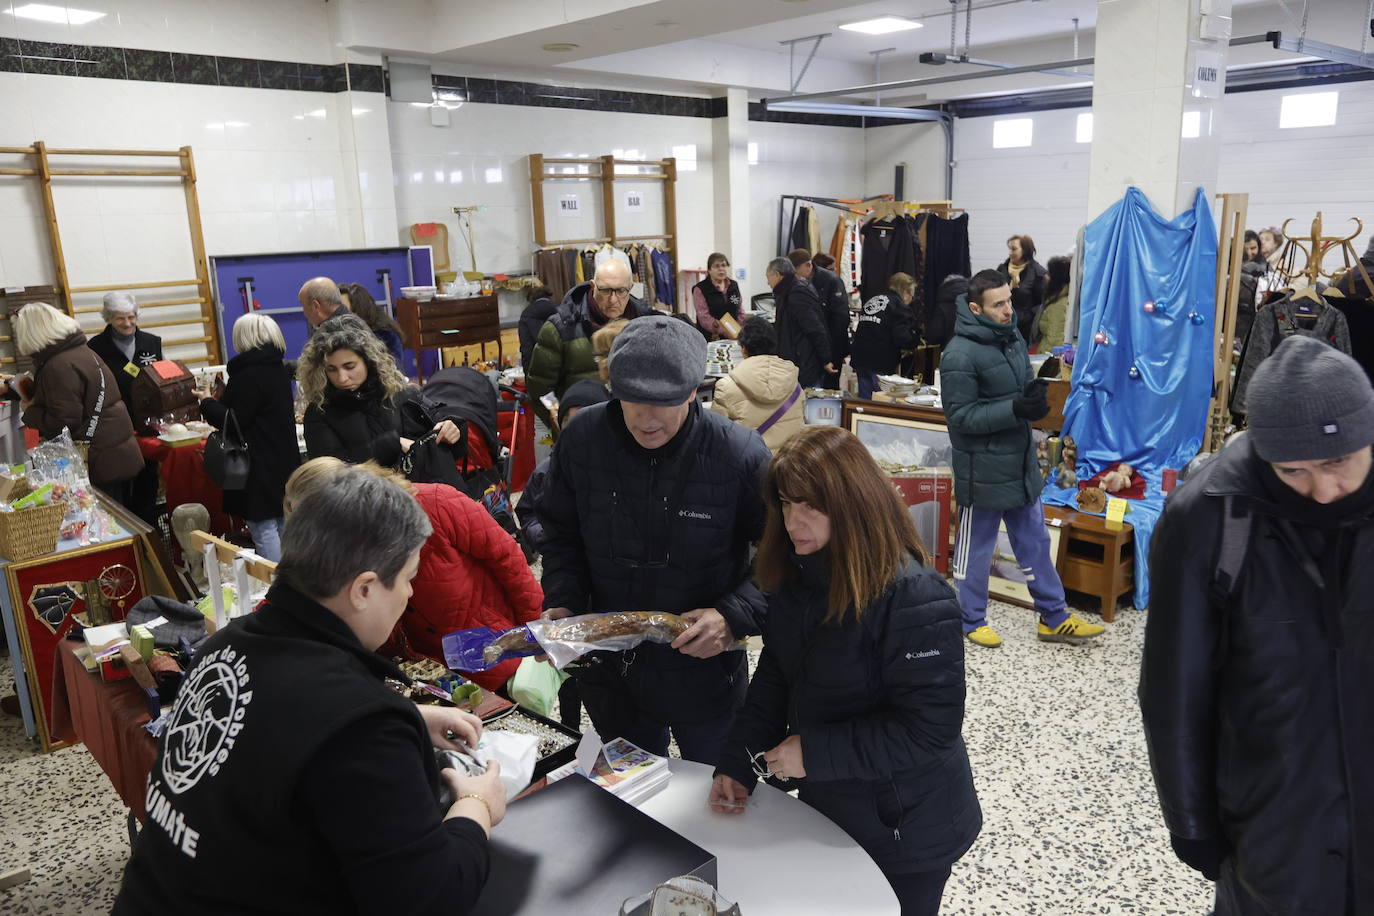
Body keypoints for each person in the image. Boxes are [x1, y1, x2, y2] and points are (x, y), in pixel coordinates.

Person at [112, 468, 505, 914]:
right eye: (408, 578)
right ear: (364, 589)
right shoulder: (362, 722)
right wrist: (477, 805)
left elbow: (276, 726)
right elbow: (431, 899)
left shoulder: (223, 646)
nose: (409, 594)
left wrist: (410, 716)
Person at [1142, 335, 1374, 914]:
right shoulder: (1209, 516)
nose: (1323, 491)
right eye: (1294, 470)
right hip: (1273, 821)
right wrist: (1191, 823)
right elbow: (1174, 686)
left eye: (1338, 462)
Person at [709, 426, 981, 916]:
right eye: (785, 504)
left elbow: (929, 729)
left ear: (853, 505)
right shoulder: (798, 575)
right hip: (835, 806)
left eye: (810, 506)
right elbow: (777, 675)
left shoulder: (914, 595)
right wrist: (738, 762)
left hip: (909, 827)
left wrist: (813, 753)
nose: (793, 522)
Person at [537, 314, 771, 764]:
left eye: (663, 402)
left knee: (713, 790)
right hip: (611, 675)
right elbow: (561, 535)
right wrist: (564, 600)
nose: (646, 419)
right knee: (632, 794)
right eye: (631, 400)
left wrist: (733, 616)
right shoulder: (582, 439)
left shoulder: (739, 454)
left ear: (693, 390)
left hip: (704, 670)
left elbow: (781, 559)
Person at [942, 270, 1105, 648]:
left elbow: (1016, 391)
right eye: (998, 304)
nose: (1008, 310)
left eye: (1009, 300)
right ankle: (970, 619)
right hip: (982, 469)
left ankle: (1054, 617)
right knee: (976, 549)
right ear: (975, 308)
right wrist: (1014, 408)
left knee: (1035, 541)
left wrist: (1032, 401)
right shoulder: (959, 354)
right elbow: (961, 417)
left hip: (1019, 461)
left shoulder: (1010, 335)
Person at [286, 458, 543, 691]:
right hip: (432, 672)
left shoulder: (438, 503)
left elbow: (509, 561)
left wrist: (533, 635)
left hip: (497, 653)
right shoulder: (349, 545)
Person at [7, 303, 143, 505]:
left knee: (105, 517)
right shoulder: (78, 352)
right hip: (113, 452)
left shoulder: (58, 365)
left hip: (98, 459)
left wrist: (29, 411)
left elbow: (62, 422)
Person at [197, 313, 299, 562]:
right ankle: (291, 576)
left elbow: (234, 421)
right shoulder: (278, 368)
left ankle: (273, 580)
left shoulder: (248, 374)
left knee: (263, 529)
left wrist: (207, 403)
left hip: (256, 461)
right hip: (282, 457)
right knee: (283, 523)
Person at [298, 315, 459, 465]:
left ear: (368, 361)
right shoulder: (319, 412)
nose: (342, 378)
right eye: (331, 369)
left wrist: (453, 430)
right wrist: (390, 445)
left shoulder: (401, 393)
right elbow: (329, 475)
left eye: (349, 366)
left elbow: (449, 450)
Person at [526, 259, 652, 428]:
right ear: (593, 286)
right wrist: (560, 422)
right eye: (605, 290)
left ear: (631, 287)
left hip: (635, 431)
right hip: (582, 430)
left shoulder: (645, 323)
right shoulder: (561, 327)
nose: (613, 300)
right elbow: (539, 388)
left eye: (621, 291)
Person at [87, 291, 163, 523]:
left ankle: (150, 532)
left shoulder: (151, 342)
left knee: (147, 482)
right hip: (115, 429)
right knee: (121, 486)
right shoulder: (96, 347)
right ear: (108, 318)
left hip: (148, 426)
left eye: (132, 317)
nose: (128, 323)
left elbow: (162, 380)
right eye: (120, 318)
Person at [517, 379, 610, 557]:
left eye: (587, 421)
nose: (579, 430)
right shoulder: (548, 470)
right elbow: (528, 512)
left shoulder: (619, 466)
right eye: (569, 421)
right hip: (564, 557)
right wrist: (546, 537)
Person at [710, 316, 803, 453]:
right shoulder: (793, 382)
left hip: (749, 464)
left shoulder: (726, 387)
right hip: (788, 462)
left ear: (743, 349)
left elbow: (715, 436)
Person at [850, 272, 920, 400]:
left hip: (860, 356)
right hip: (880, 360)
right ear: (905, 292)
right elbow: (902, 337)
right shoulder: (898, 306)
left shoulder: (874, 299)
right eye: (912, 295)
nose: (911, 299)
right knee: (880, 401)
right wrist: (915, 340)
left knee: (865, 401)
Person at [766, 257, 832, 389]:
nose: (768, 282)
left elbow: (814, 328)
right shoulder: (789, 290)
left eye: (768, 277)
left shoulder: (796, 292)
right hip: (797, 361)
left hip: (803, 362)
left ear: (777, 275)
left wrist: (825, 359)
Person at [792, 249, 851, 388]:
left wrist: (830, 353)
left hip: (832, 344)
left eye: (796, 271)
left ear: (808, 265)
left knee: (829, 387)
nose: (794, 276)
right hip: (812, 345)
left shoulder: (831, 281)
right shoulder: (799, 284)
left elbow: (841, 319)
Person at [339, 282, 405, 370]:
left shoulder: (386, 334)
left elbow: (394, 369)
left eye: (343, 308)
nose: (338, 313)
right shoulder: (335, 333)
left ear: (359, 309)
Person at [999, 234, 1047, 348]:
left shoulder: (1038, 273)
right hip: (1003, 324)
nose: (1010, 253)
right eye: (1009, 249)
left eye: (1014, 249)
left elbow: (1042, 303)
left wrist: (1027, 316)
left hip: (1025, 329)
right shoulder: (1002, 269)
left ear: (1025, 250)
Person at [691, 253, 743, 340]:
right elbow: (704, 317)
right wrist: (727, 331)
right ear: (709, 270)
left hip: (735, 334)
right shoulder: (700, 289)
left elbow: (740, 309)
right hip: (711, 337)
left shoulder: (733, 285)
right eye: (717, 266)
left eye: (723, 265)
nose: (721, 269)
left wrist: (738, 328)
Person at [517, 284, 557, 370]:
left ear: (531, 299)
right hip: (560, 365)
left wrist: (527, 372)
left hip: (536, 366)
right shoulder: (560, 309)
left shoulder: (526, 314)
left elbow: (526, 348)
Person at [1039, 256, 1071, 350]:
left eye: (1049, 273)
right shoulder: (1059, 298)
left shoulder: (1058, 306)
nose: (1045, 276)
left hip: (1047, 354)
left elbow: (1055, 342)